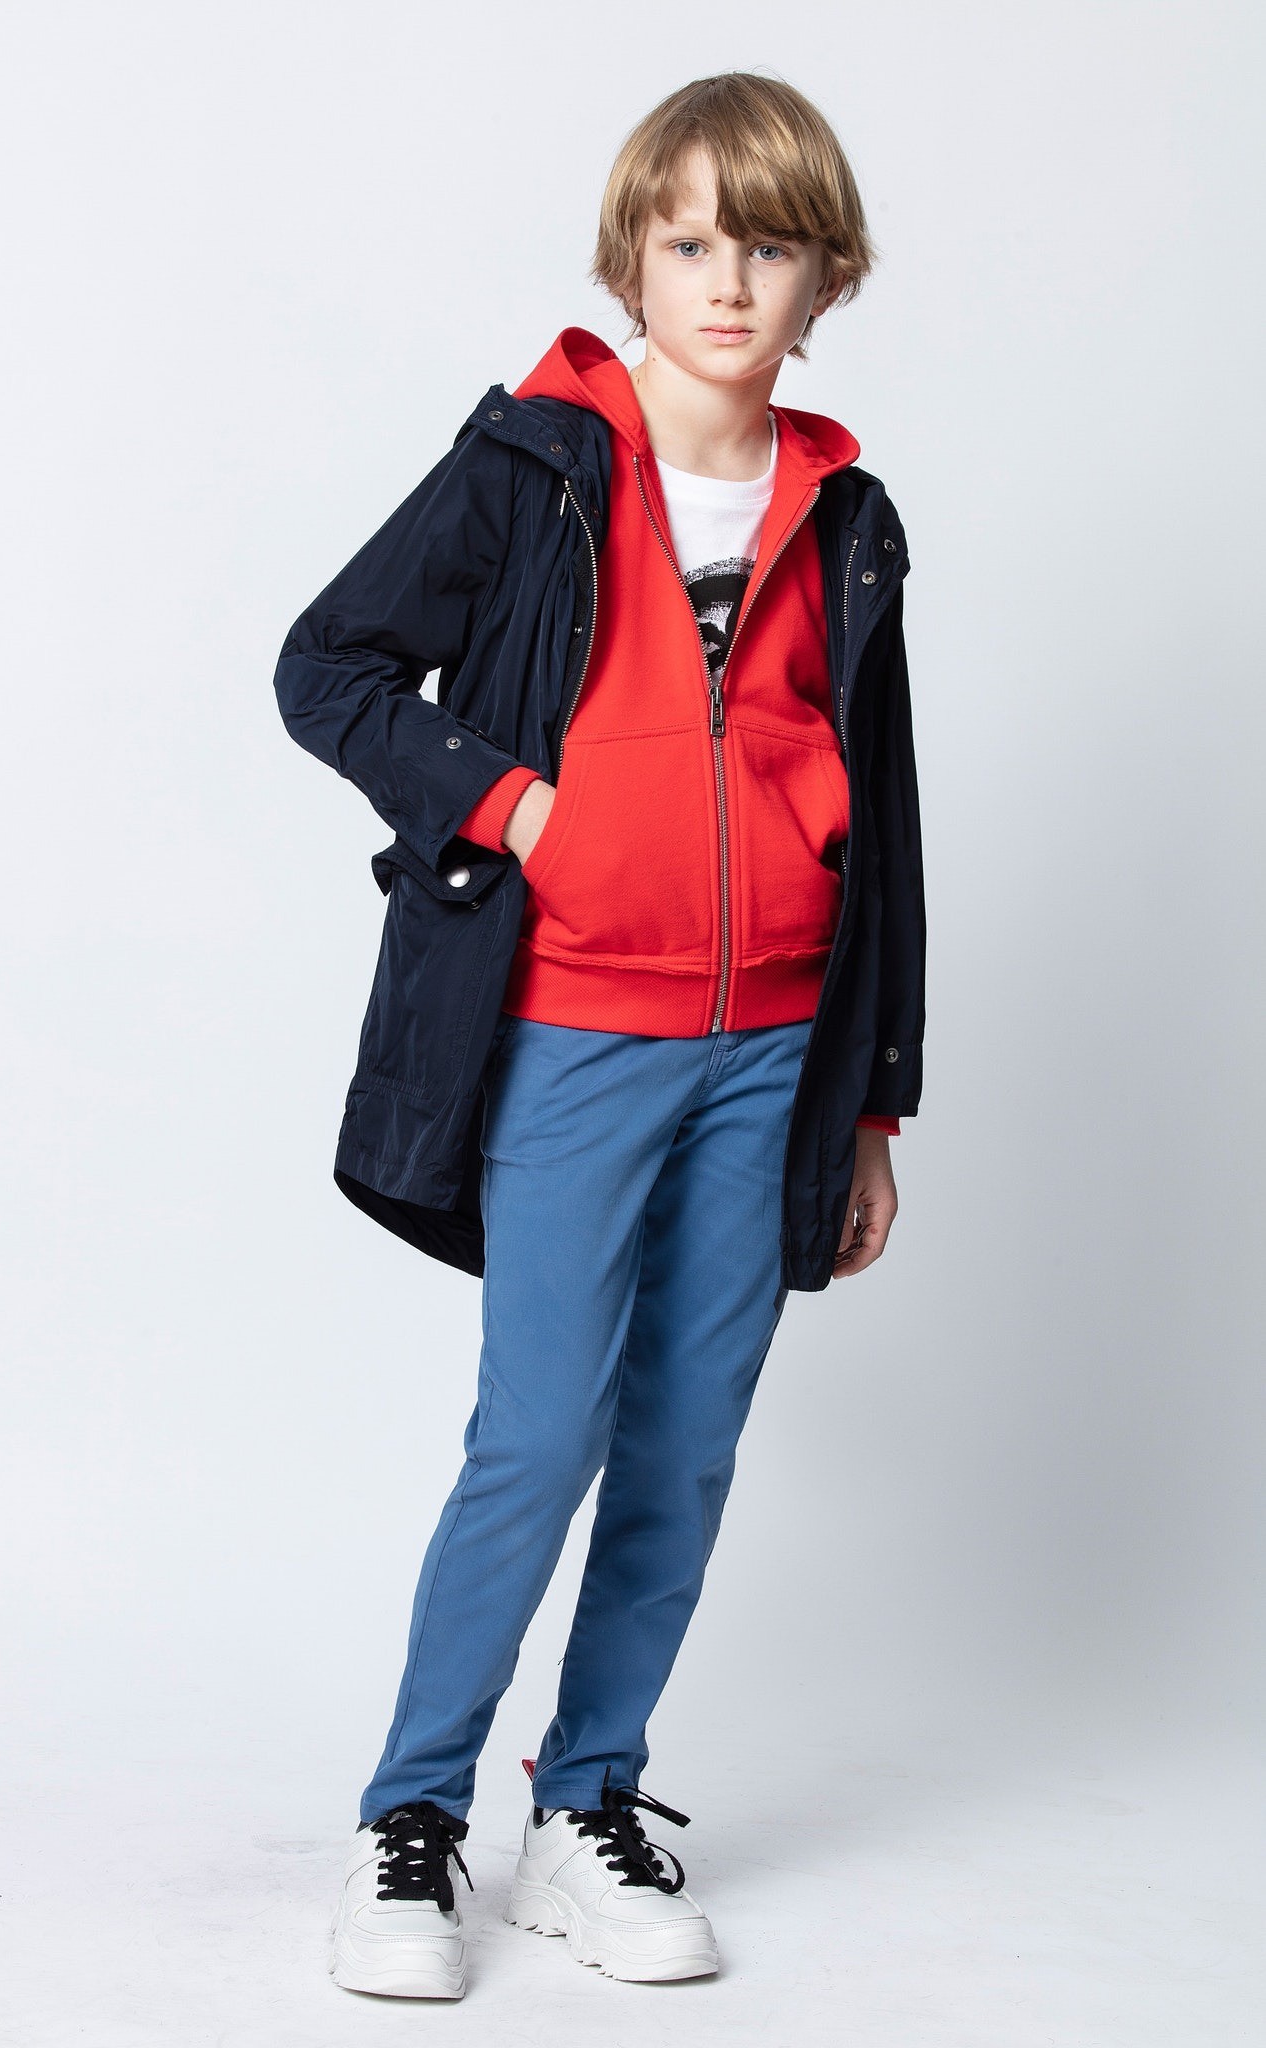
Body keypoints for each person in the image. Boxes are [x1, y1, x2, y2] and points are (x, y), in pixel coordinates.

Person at [273, 70, 925, 2001]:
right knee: (539, 1433)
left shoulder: (848, 513)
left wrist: (873, 1105)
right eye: (689, 241)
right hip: (573, 1025)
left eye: (769, 248)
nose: (726, 282)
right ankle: (413, 1816)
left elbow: (884, 818)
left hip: (775, 1048)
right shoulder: (532, 464)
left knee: (684, 1449)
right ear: (631, 257)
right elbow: (328, 665)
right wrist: (516, 807)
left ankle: (588, 1804)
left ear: (825, 279)